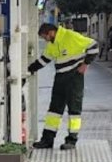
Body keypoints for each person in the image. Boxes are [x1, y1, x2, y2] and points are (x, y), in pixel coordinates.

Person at [28, 22, 99, 150]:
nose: (45, 40)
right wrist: (30, 69)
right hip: (60, 78)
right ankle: (47, 140)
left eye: (45, 37)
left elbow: (94, 46)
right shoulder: (52, 44)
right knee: (54, 110)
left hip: (74, 77)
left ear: (51, 32)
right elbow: (45, 59)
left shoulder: (70, 36)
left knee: (74, 110)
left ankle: (71, 141)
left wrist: (85, 64)